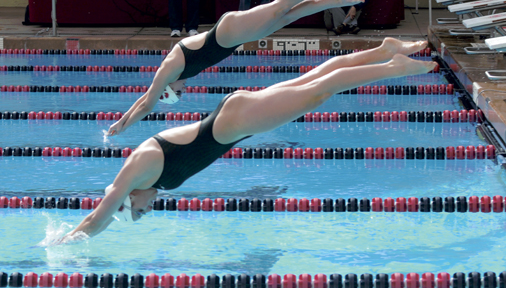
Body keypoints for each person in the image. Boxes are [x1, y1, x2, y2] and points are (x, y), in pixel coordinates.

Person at [58, 38, 433, 243]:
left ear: (128, 199)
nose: (146, 210)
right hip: (236, 121)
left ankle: (391, 67)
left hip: (235, 121)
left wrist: (63, 242)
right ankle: (382, 52)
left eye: (138, 211)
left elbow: (98, 216)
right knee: (312, 82)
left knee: (318, 91)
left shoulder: (135, 172)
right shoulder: (147, 182)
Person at [107, 0, 365, 137]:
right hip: (234, 37)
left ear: (169, 88)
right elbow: (145, 97)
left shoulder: (170, 69)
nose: (184, 89)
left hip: (227, 32)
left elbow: (147, 103)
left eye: (180, 92)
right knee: (288, 15)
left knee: (279, 8)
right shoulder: (175, 74)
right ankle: (336, 0)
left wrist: (121, 125)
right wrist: (123, 119)